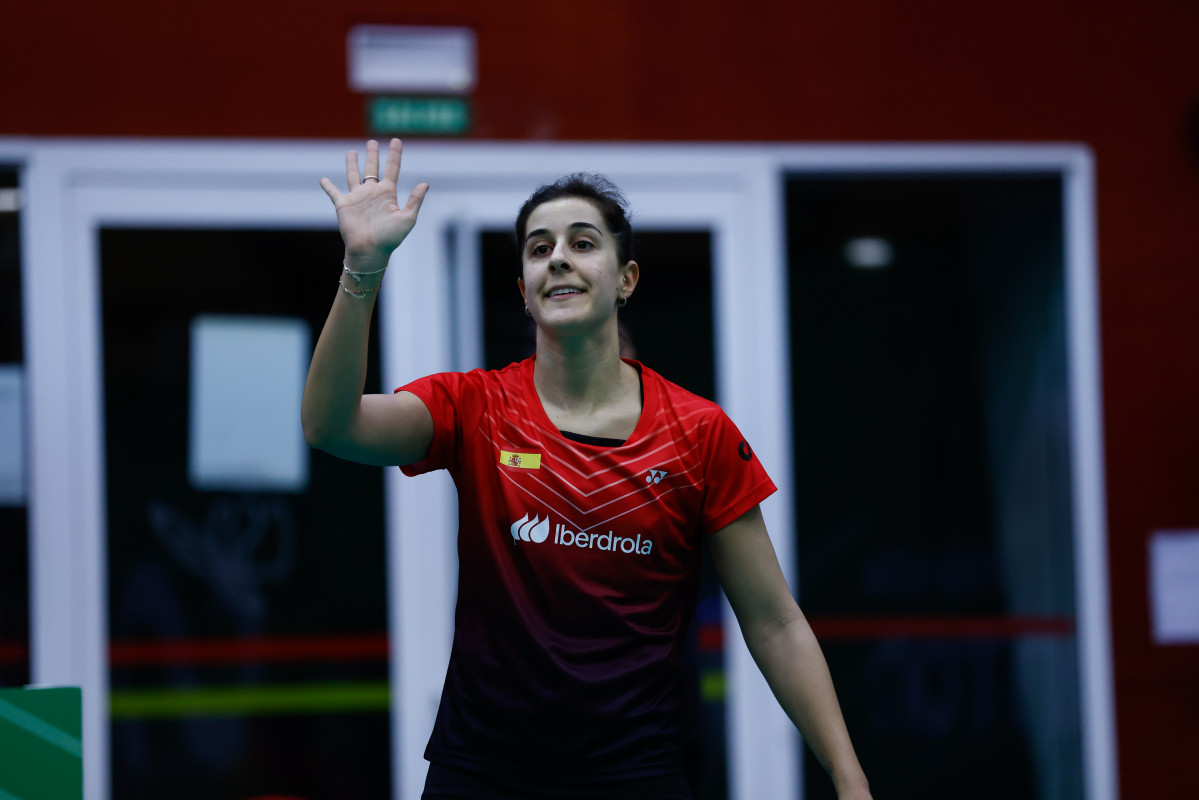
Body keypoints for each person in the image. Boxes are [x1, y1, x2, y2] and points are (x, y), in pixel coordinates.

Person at [303, 139, 872, 800]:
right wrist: (361, 268)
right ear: (523, 290)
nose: (558, 260)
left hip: (635, 775)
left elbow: (774, 623)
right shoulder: (474, 406)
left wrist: (848, 775)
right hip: (483, 773)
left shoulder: (698, 434)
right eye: (539, 248)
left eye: (582, 242)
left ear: (625, 278)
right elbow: (331, 426)